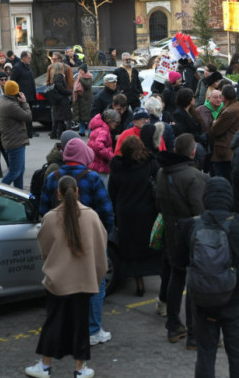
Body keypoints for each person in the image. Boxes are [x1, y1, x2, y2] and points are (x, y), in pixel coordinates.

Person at [173, 177, 239, 378]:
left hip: (202, 300)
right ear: (229, 198)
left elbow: (179, 261)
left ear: (206, 198)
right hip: (235, 299)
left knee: (205, 355)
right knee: (238, 356)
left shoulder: (191, 225)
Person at [25, 175, 107, 378]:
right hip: (84, 281)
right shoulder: (92, 216)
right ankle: (80, 369)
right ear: (77, 191)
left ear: (58, 193)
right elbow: (100, 250)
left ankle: (45, 365)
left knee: (53, 323)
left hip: (58, 281)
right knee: (81, 326)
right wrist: (96, 278)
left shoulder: (51, 218)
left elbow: (44, 249)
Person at [39, 137, 114, 347]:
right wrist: (103, 236)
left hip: (60, 243)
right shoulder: (92, 178)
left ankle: (67, 327)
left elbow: (44, 211)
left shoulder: (53, 177)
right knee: (95, 283)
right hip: (90, 240)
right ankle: (93, 329)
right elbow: (107, 212)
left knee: (64, 284)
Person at [155, 134, 210, 346]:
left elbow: (158, 203)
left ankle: (173, 325)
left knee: (175, 278)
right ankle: (194, 333)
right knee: (193, 283)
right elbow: (200, 210)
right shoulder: (193, 176)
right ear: (193, 152)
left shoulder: (162, 171)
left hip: (171, 231)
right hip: (191, 234)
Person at [109, 135, 162, 297]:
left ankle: (139, 284)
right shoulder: (150, 164)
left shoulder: (117, 167)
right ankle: (163, 278)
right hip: (148, 212)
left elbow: (112, 192)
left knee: (132, 251)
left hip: (126, 214)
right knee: (154, 246)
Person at [0, 80, 32, 189]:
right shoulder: (11, 105)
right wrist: (24, 102)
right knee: (15, 172)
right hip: (15, 142)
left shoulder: (4, 101)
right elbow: (28, 117)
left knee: (20, 171)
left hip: (13, 140)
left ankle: (19, 193)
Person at [209, 85, 239, 181]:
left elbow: (215, 130)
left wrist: (214, 123)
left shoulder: (229, 111)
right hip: (230, 150)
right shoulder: (236, 106)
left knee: (224, 181)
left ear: (223, 97)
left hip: (225, 151)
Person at [87, 108, 119, 184]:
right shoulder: (104, 131)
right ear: (109, 120)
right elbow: (98, 146)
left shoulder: (99, 129)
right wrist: (111, 156)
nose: (117, 125)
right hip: (100, 166)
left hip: (93, 163)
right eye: (116, 122)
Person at [10, 50, 37, 138]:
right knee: (25, 114)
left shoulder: (28, 66)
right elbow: (12, 81)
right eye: (29, 58)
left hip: (30, 94)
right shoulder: (17, 67)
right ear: (23, 58)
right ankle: (26, 132)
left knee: (30, 113)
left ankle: (30, 131)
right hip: (22, 95)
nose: (30, 60)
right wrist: (17, 94)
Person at [48, 62, 73, 140]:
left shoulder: (55, 77)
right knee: (63, 118)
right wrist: (70, 92)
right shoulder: (59, 77)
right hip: (62, 101)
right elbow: (61, 88)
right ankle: (60, 134)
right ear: (60, 69)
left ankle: (54, 134)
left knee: (58, 119)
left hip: (59, 100)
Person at [72, 64, 94, 136]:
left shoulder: (89, 77)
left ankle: (90, 131)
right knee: (81, 116)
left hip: (86, 100)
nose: (80, 72)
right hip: (79, 99)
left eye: (81, 70)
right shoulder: (78, 77)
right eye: (79, 70)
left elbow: (87, 85)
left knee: (88, 117)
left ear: (84, 70)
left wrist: (81, 79)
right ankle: (82, 131)